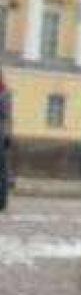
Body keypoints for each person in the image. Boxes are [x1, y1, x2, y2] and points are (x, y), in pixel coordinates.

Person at [0, 67, 11, 212]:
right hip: (2, 134)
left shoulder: (4, 93)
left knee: (2, 170)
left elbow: (6, 115)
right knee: (2, 170)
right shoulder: (5, 92)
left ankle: (2, 200)